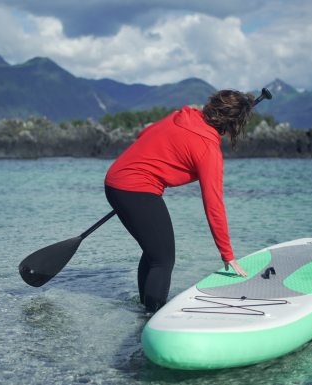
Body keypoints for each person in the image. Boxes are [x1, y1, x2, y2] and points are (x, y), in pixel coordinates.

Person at [104, 89, 257, 312]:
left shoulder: (182, 115)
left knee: (154, 252)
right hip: (136, 189)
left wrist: (160, 164)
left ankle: (144, 309)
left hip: (114, 180)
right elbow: (214, 205)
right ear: (234, 124)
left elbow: (145, 134)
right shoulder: (208, 150)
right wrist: (228, 255)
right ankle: (152, 318)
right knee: (163, 260)